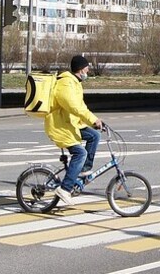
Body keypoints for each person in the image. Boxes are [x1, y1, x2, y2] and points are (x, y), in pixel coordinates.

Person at [44, 54, 102, 206]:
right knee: (80, 153)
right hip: (60, 126)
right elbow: (73, 106)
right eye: (87, 70)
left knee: (94, 136)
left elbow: (81, 107)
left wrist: (94, 121)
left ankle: (83, 170)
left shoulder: (75, 82)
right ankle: (65, 188)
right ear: (81, 70)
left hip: (71, 124)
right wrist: (92, 119)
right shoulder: (65, 84)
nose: (88, 73)